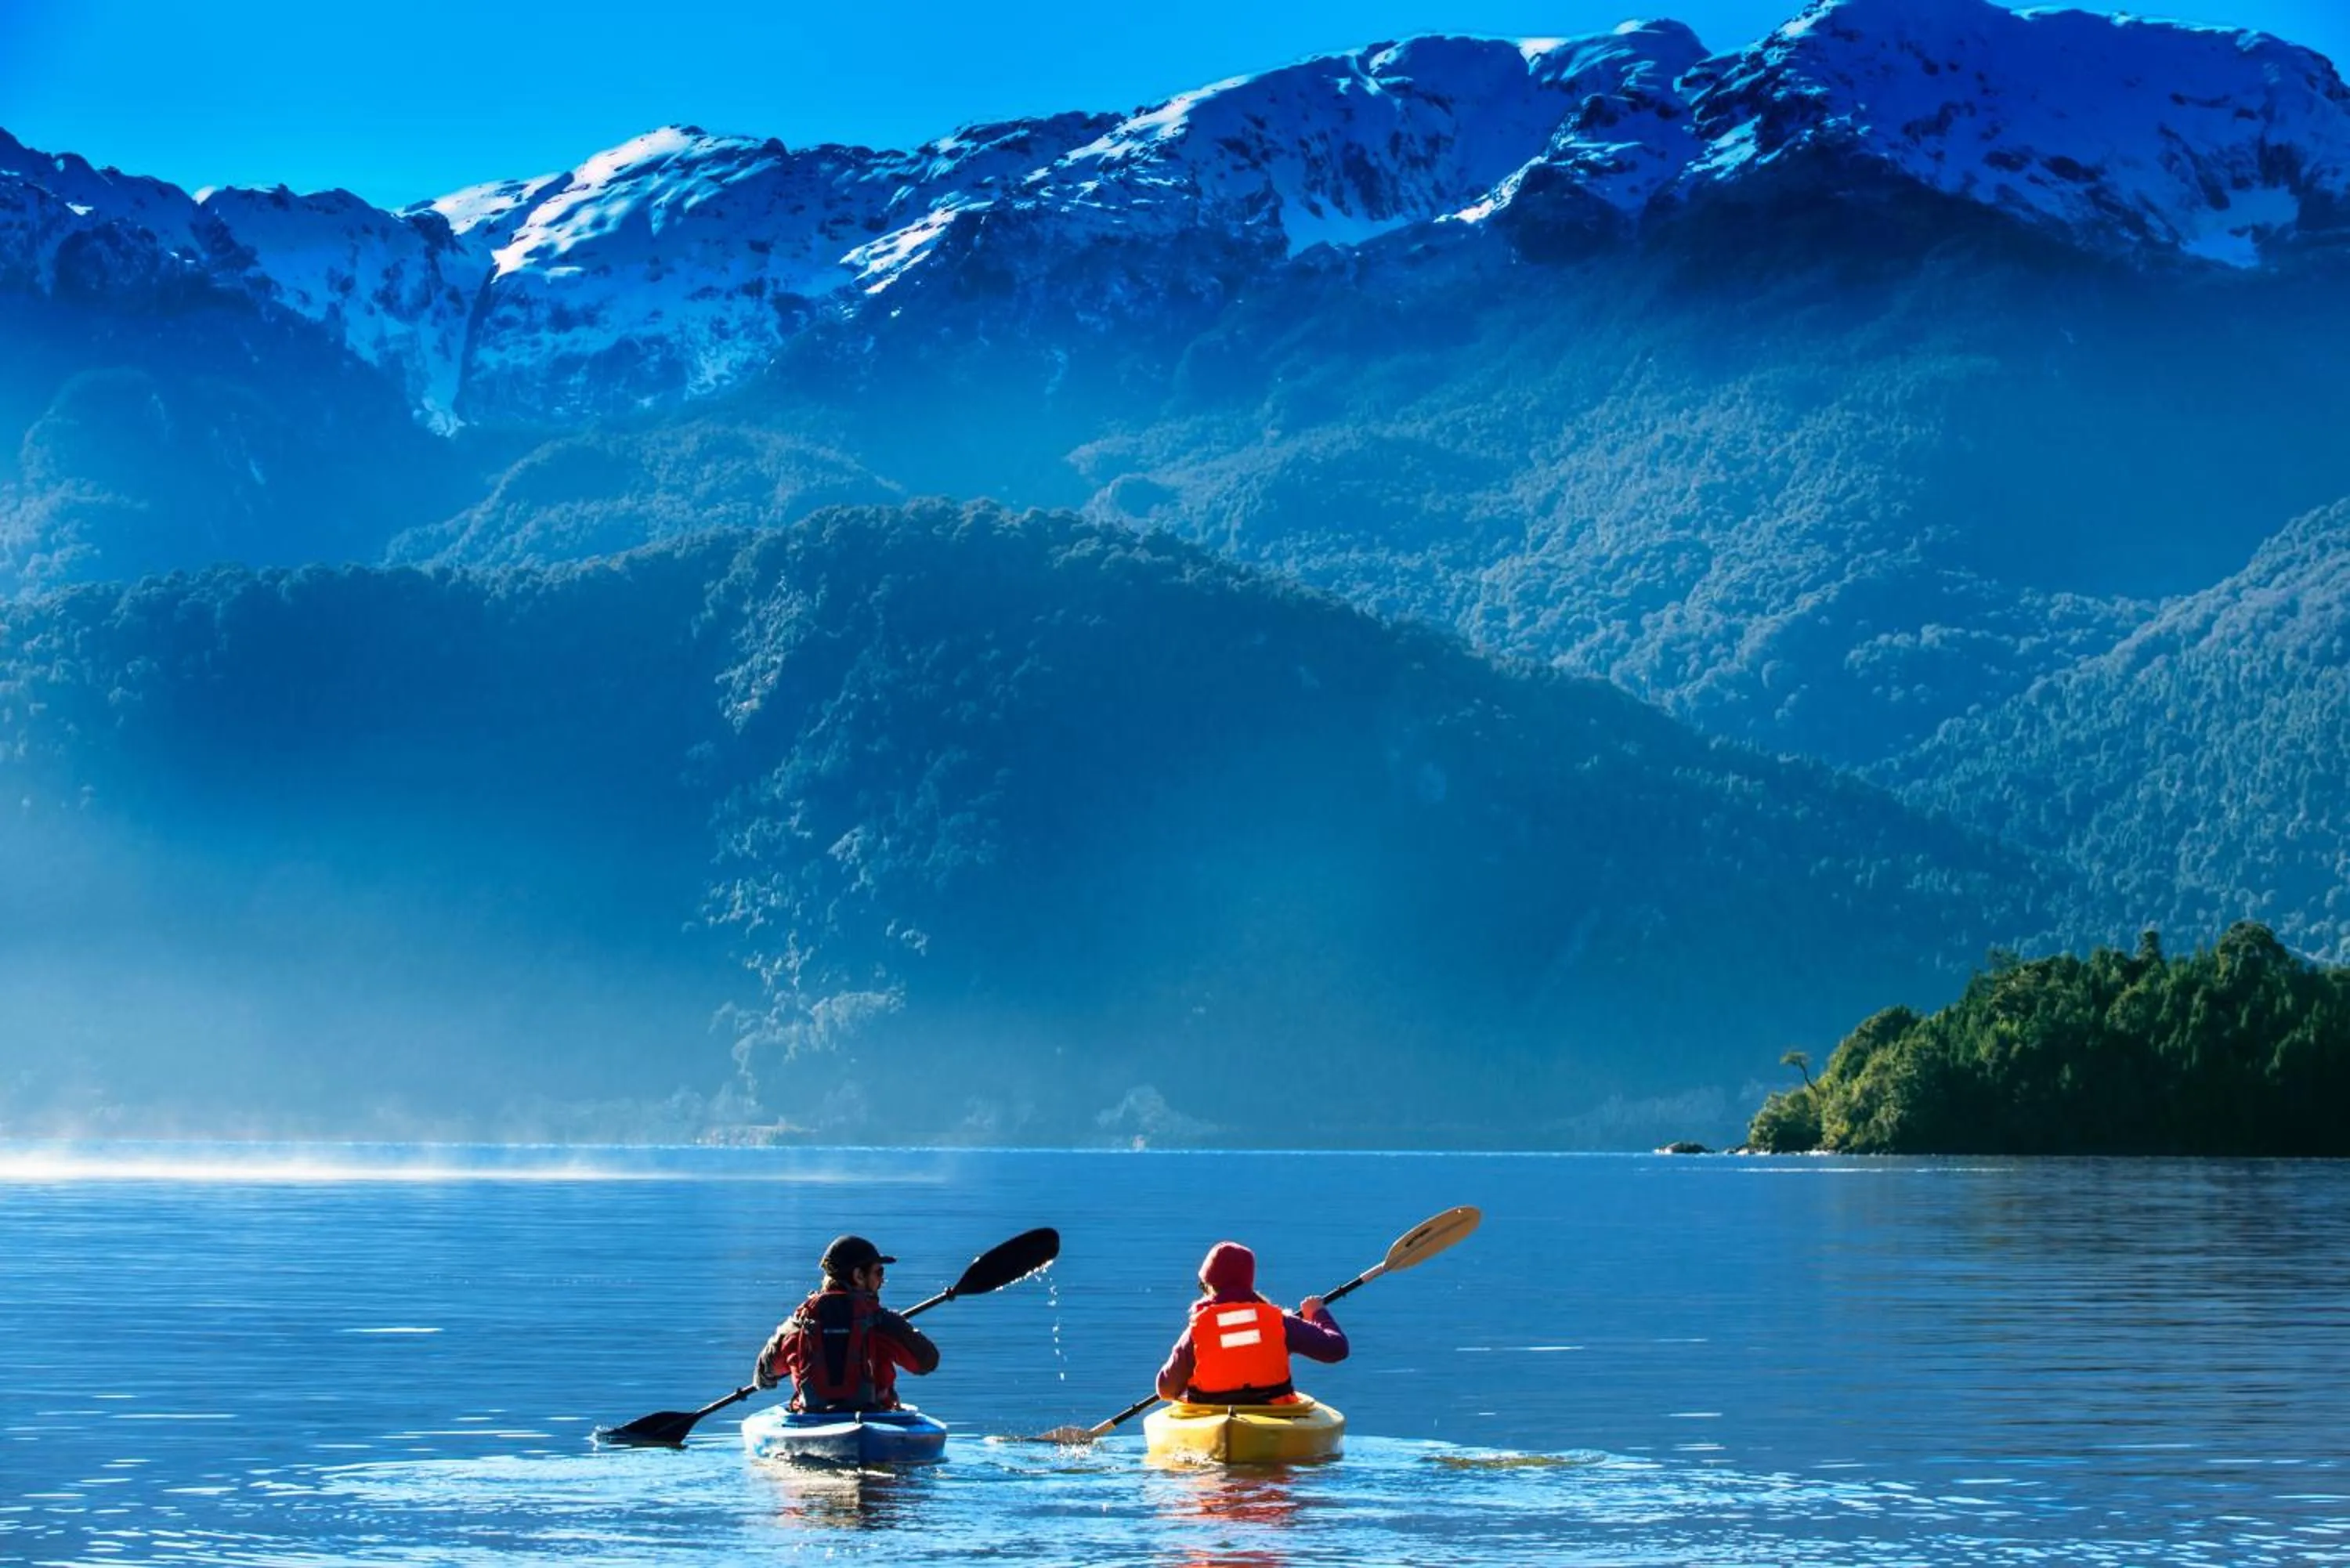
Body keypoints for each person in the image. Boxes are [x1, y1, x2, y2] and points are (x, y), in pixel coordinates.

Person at [753, 1234, 941, 1412]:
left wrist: (774, 1375)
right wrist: (899, 1325)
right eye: (878, 1272)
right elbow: (927, 1361)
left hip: (811, 1420)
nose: (882, 1281)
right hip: (874, 1419)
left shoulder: (798, 1325)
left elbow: (764, 1374)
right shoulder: (884, 1323)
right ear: (859, 1276)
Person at [1155, 1240, 1348, 1404]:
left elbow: (1166, 1390)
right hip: (1272, 1413)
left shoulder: (1198, 1330)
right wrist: (1317, 1313)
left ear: (1210, 1286)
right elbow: (1337, 1349)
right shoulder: (1280, 1323)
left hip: (1210, 1412)